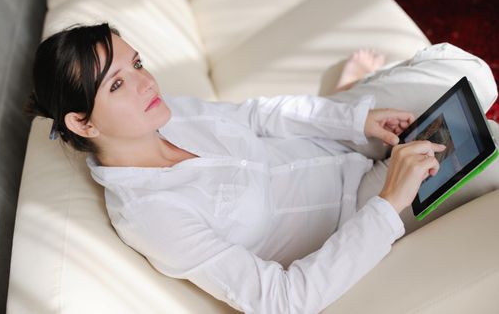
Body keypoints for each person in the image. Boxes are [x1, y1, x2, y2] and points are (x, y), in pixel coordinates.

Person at [26, 23, 498, 313]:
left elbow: (255, 116)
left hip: (327, 136)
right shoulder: (152, 215)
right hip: (358, 202)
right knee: (490, 149)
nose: (147, 83)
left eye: (138, 64)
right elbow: (282, 302)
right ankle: (354, 94)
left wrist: (357, 119)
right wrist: (389, 203)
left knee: (471, 72)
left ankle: (350, 94)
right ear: (82, 122)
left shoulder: (164, 111)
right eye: (118, 85)